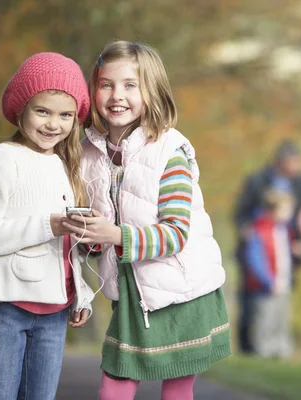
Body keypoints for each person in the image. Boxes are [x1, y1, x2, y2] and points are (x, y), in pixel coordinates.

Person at [62, 40, 230, 400]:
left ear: (150, 92)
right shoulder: (88, 152)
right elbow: (99, 234)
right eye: (106, 84)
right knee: (114, 386)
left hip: (179, 291)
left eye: (129, 85)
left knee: (176, 389)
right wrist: (91, 236)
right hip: (129, 292)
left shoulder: (170, 153)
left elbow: (175, 234)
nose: (116, 95)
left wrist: (114, 233)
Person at [0, 52, 96, 400]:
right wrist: (47, 225)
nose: (54, 124)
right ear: (21, 109)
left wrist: (80, 293)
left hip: (55, 314)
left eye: (65, 115)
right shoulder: (5, 157)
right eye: (43, 111)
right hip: (7, 308)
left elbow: (68, 249)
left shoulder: (67, 165)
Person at [234, 139, 301, 354]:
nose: (296, 167)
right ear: (281, 162)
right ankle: (252, 349)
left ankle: (279, 349)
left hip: (284, 248)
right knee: (254, 307)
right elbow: (241, 212)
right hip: (260, 249)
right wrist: (248, 230)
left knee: (281, 306)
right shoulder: (258, 181)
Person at [243, 189, 296, 358]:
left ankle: (281, 353)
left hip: (283, 285)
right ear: (273, 210)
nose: (289, 214)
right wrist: (268, 281)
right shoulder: (259, 230)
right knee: (265, 322)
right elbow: (254, 259)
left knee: (281, 321)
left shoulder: (283, 230)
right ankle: (263, 353)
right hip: (264, 288)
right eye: (286, 209)